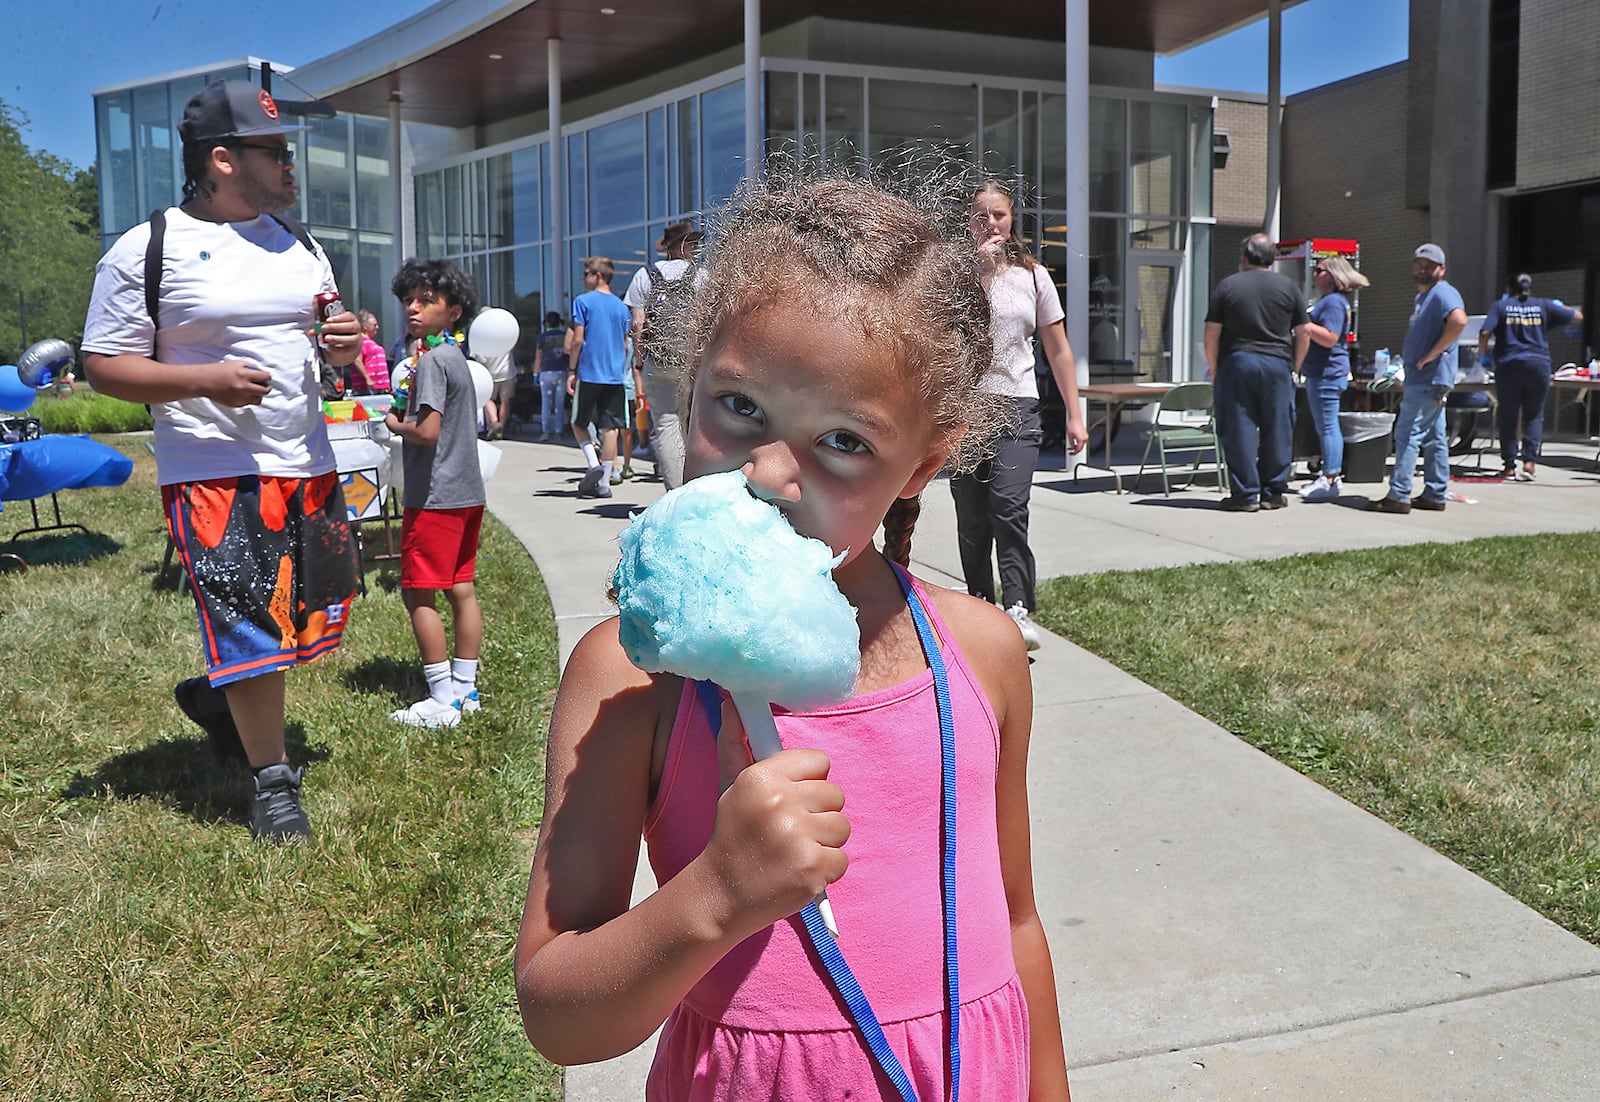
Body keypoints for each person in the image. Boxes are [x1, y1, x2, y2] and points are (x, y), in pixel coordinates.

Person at [514, 176, 1071, 1101]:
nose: (771, 472)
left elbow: (1014, 921)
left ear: (923, 465)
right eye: (738, 408)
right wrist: (714, 897)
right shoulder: (632, 677)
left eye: (844, 440)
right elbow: (556, 1013)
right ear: (688, 383)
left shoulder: (983, 654)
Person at [80, 78, 362, 843]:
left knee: (298, 624)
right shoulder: (149, 248)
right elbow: (104, 363)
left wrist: (344, 342)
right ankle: (273, 786)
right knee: (251, 623)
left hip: (305, 460)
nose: (291, 167)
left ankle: (217, 697)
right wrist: (203, 380)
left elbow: (333, 335)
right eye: (275, 152)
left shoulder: (298, 243)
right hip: (209, 465)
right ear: (223, 159)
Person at [953, 180, 1087, 651]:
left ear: (1012, 222)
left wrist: (1075, 413)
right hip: (967, 410)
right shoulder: (957, 275)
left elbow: (1059, 349)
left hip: (1017, 405)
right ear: (969, 221)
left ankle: (1016, 607)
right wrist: (983, 273)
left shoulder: (1034, 277)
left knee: (1008, 508)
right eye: (981, 215)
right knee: (971, 517)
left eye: (999, 215)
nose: (991, 223)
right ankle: (979, 604)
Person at [383, 258, 487, 728]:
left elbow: (426, 431)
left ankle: (441, 696)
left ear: (454, 311)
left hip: (436, 495)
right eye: (409, 300)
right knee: (461, 587)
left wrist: (392, 424)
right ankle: (466, 688)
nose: (414, 308)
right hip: (468, 491)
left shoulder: (429, 362)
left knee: (418, 593)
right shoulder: (457, 359)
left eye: (427, 301)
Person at [1203, 232, 1311, 512]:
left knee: (1239, 428)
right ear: (1272, 258)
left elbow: (1212, 332)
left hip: (1238, 362)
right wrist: (1295, 367)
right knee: (1278, 428)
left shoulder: (1228, 286)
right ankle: (1272, 492)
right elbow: (1304, 332)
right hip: (1277, 364)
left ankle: (1246, 494)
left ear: (1244, 257)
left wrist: (1214, 366)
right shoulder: (1289, 287)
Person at [1368, 244, 1468, 513]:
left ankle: (1398, 495)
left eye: (1430, 265)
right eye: (1419, 264)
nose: (1422, 269)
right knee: (1435, 439)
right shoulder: (1424, 298)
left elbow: (1459, 321)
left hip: (1429, 378)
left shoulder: (1443, 293)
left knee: (1407, 433)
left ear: (1442, 270)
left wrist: (1432, 354)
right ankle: (1435, 494)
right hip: (1425, 378)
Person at [624, 220, 708, 489]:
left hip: (657, 360)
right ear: (683, 246)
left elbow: (637, 324)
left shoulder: (644, 275)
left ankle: (676, 494)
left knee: (666, 425)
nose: (696, 248)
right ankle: (697, 488)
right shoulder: (702, 276)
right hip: (692, 363)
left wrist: (639, 359)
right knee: (694, 425)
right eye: (693, 243)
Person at [1478, 273, 1583, 481]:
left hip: (1509, 365)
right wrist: (1558, 306)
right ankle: (1529, 463)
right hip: (1538, 365)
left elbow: (1484, 333)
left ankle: (1509, 466)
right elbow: (1577, 316)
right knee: (1534, 414)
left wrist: (1483, 356)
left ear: (1509, 290)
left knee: (1508, 415)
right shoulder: (1543, 305)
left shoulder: (1501, 307)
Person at [1297, 256, 1369, 502]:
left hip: (1328, 373)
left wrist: (1304, 324)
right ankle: (1329, 476)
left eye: (1319, 270)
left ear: (1333, 276)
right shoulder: (1328, 302)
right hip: (1321, 372)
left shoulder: (1334, 304)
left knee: (1328, 426)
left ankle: (1330, 478)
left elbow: (1330, 337)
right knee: (1324, 425)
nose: (1315, 274)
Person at [566, 256, 634, 499]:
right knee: (610, 427)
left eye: (586, 274)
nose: (583, 279)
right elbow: (626, 346)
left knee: (578, 423)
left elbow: (576, 339)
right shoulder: (621, 307)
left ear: (598, 275)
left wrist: (572, 370)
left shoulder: (583, 302)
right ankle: (604, 483)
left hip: (590, 371)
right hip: (614, 376)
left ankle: (593, 463)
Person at [531, 311, 569, 441]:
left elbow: (538, 357)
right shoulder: (564, 336)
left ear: (547, 323)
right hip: (562, 371)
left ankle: (546, 431)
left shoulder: (543, 337)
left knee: (546, 403)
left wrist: (535, 373)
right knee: (560, 403)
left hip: (546, 372)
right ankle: (559, 430)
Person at [479, 343, 515, 441]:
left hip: (490, 374)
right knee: (505, 401)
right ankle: (501, 428)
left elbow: (481, 359)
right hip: (507, 372)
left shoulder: (482, 342)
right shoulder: (506, 338)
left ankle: (494, 422)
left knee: (488, 399)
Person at [353, 309, 391, 395]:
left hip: (379, 386)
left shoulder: (369, 342)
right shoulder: (360, 341)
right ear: (365, 326)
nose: (377, 327)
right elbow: (357, 360)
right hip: (368, 387)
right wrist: (368, 379)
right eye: (375, 325)